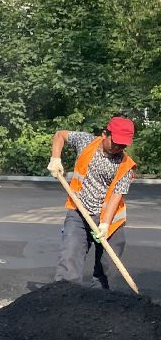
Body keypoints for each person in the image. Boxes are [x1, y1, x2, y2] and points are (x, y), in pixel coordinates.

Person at [48, 116, 137, 289]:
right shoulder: (85, 142)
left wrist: (104, 224)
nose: (119, 148)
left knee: (108, 265)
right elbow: (60, 135)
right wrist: (55, 158)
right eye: (116, 142)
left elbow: (116, 196)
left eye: (123, 145)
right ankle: (64, 296)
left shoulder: (126, 165)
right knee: (70, 255)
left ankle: (99, 300)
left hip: (111, 221)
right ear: (105, 134)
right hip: (79, 212)